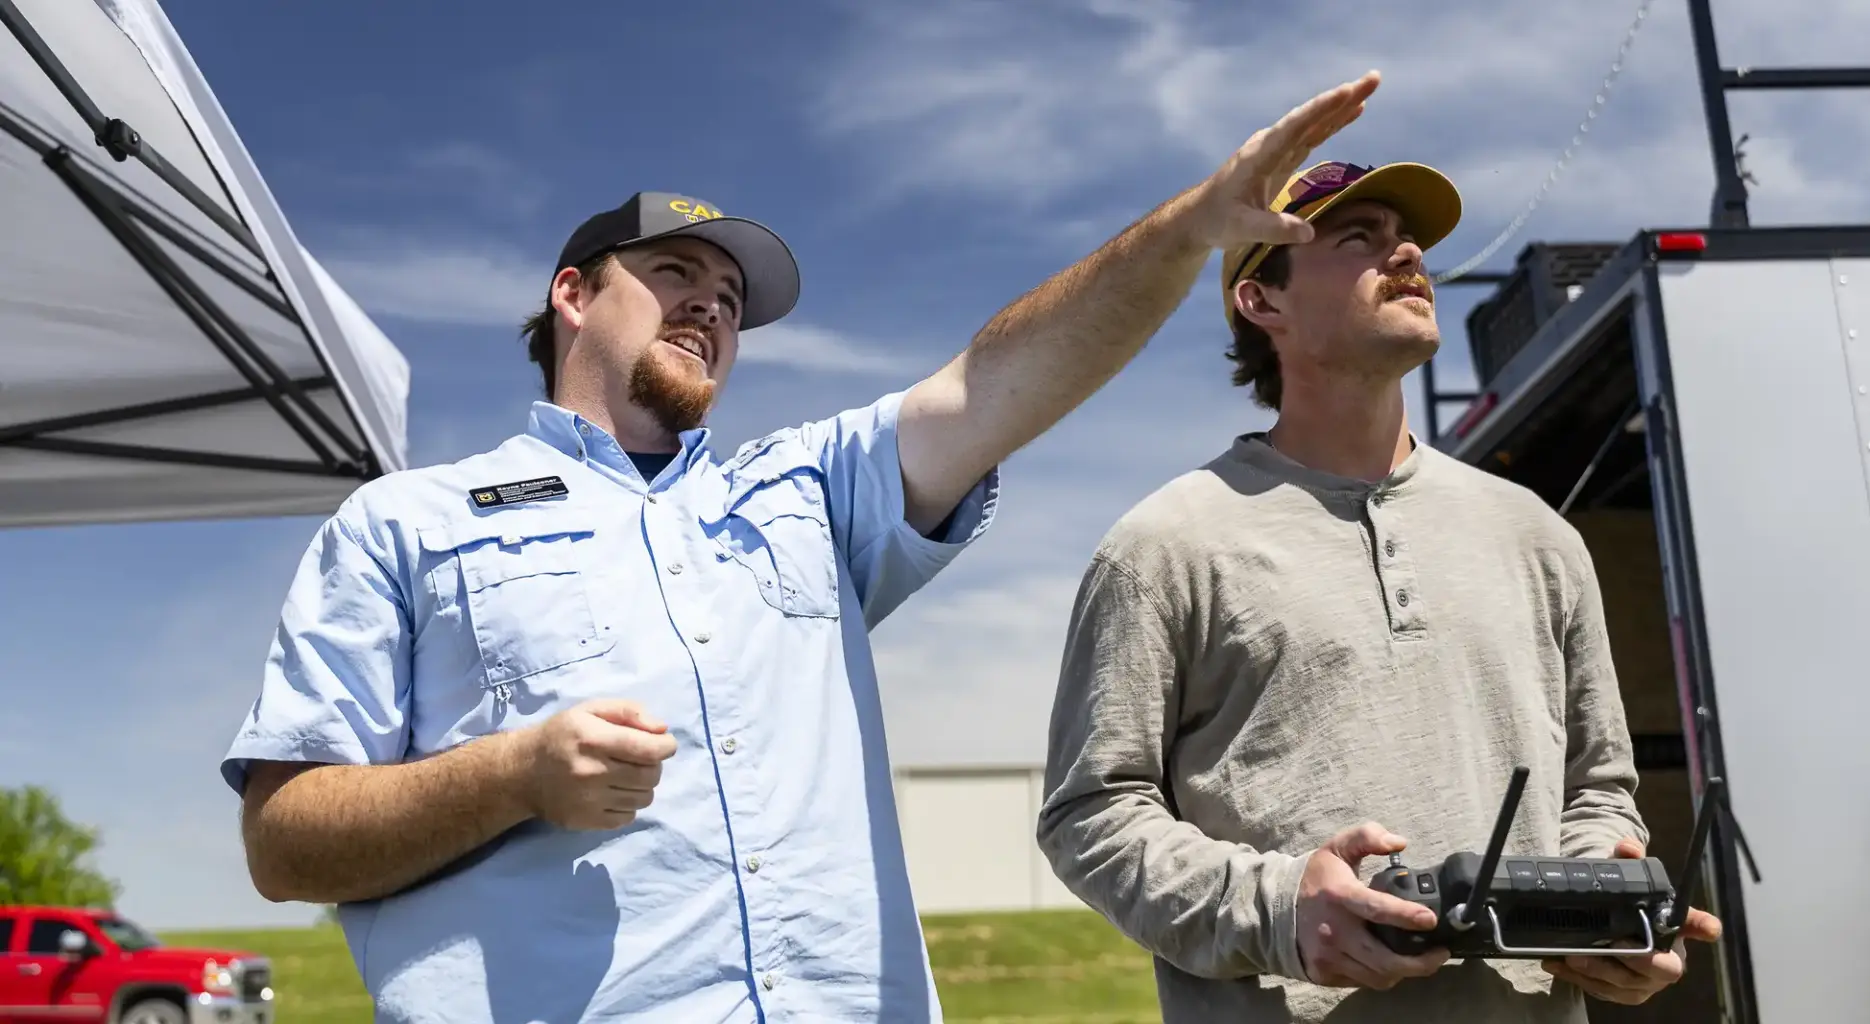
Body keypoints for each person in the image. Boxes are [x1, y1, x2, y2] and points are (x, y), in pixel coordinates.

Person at [219, 70, 1393, 1024]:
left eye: (731, 299)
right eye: (675, 273)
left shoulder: (803, 492)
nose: (712, 306)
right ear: (573, 294)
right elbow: (284, 842)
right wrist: (515, 774)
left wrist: (1190, 229)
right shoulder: (407, 522)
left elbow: (1001, 381)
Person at [1033, 158, 1724, 1023]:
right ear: (1263, 301)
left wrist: (1600, 904)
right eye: (1358, 238)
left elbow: (1596, 787)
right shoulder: (1163, 547)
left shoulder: (1539, 536)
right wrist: (1281, 910)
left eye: (1409, 239)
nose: (1407, 255)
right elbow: (1091, 815)